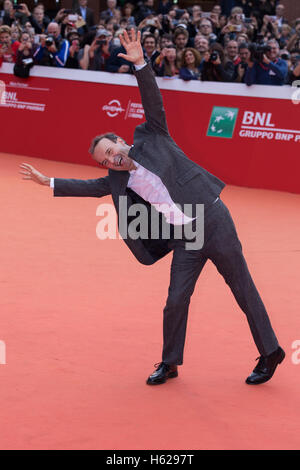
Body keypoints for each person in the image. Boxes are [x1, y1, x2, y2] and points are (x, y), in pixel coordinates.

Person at [20, 29, 285, 387]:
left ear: (120, 141)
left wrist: (141, 63)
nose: (111, 159)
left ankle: (271, 353)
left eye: (111, 150)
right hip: (185, 237)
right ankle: (170, 362)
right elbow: (85, 188)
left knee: (242, 289)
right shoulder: (115, 181)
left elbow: (152, 98)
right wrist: (46, 181)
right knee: (175, 300)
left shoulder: (153, 134)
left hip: (213, 219)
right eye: (105, 160)